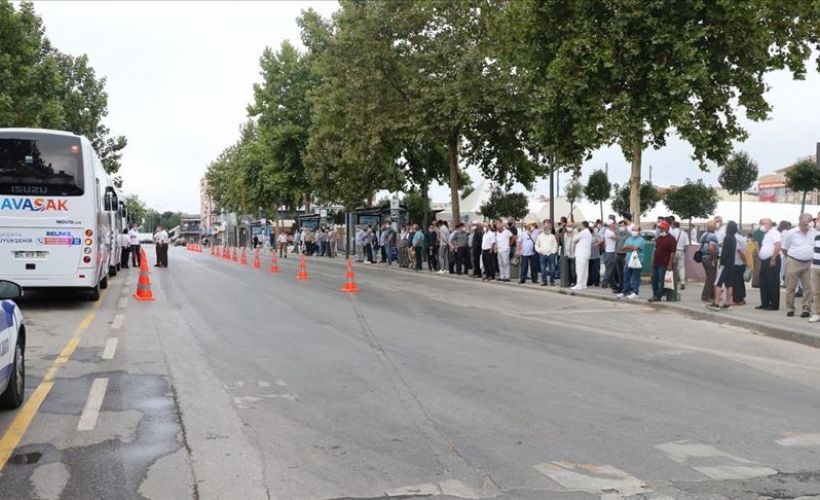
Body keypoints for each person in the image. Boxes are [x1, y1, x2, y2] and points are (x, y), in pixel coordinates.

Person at [782, 213, 816, 318]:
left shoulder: (813, 232)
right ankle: (790, 308)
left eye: (810, 222)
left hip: (809, 262)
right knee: (791, 287)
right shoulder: (791, 233)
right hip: (794, 261)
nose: (809, 224)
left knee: (809, 287)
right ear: (800, 221)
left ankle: (806, 308)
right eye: (807, 222)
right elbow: (784, 248)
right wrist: (791, 257)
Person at [709, 221, 739, 310]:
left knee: (718, 283)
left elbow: (725, 252)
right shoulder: (733, 238)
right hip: (731, 263)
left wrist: (721, 263)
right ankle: (729, 302)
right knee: (729, 284)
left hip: (725, 264)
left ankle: (716, 302)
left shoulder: (727, 238)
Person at [757, 218, 782, 311]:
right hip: (764, 261)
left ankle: (774, 304)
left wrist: (773, 258)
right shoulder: (766, 234)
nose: (763, 225)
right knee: (763, 282)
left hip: (772, 260)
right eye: (762, 223)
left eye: (765, 223)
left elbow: (778, 245)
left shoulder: (774, 233)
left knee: (772, 282)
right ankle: (765, 302)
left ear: (770, 224)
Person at [649, 220, 676, 302]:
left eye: (662, 228)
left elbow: (672, 253)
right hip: (656, 262)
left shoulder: (671, 239)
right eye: (660, 228)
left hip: (664, 263)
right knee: (654, 279)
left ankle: (658, 296)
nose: (660, 229)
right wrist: (652, 260)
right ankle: (654, 294)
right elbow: (656, 249)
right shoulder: (659, 238)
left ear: (667, 228)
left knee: (660, 280)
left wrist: (670, 264)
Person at [619, 226, 645, 299]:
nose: (634, 231)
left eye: (635, 230)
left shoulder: (641, 240)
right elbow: (624, 248)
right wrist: (631, 247)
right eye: (633, 230)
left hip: (637, 261)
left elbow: (636, 248)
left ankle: (635, 292)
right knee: (626, 276)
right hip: (628, 260)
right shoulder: (629, 238)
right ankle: (625, 291)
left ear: (639, 231)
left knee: (635, 277)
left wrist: (629, 247)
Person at [699, 221, 720, 302]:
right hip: (709, 258)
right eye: (715, 225)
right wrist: (714, 259)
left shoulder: (704, 235)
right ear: (713, 227)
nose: (716, 227)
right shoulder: (712, 236)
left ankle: (712, 295)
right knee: (710, 278)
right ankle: (705, 296)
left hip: (704, 257)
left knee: (711, 277)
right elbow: (711, 248)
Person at [536, 220, 558, 286]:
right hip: (542, 254)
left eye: (547, 226)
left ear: (549, 227)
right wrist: (539, 251)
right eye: (545, 226)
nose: (546, 228)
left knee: (552, 269)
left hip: (551, 254)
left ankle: (552, 281)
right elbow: (536, 245)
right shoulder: (540, 236)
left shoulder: (552, 236)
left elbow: (555, 245)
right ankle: (544, 281)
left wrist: (553, 252)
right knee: (543, 269)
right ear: (543, 227)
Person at [571, 221, 592, 291]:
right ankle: (583, 284)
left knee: (579, 270)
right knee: (585, 270)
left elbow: (574, 239)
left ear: (583, 225)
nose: (579, 226)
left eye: (580, 225)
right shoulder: (588, 232)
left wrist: (576, 230)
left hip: (581, 254)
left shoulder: (583, 232)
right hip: (586, 254)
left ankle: (579, 285)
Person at [611, 220, 629, 294]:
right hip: (618, 254)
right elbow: (617, 243)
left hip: (624, 254)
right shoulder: (619, 234)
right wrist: (615, 252)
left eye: (623, 225)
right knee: (619, 272)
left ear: (626, 226)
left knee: (625, 272)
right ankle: (621, 287)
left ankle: (626, 288)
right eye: (620, 225)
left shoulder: (628, 234)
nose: (621, 227)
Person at [733, 230, 748, 305]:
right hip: (741, 263)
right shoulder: (742, 238)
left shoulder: (734, 238)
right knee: (740, 281)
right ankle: (741, 297)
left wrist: (745, 260)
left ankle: (738, 299)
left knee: (736, 282)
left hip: (736, 262)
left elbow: (739, 251)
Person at [672, 221, 689, 290]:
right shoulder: (684, 233)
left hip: (673, 251)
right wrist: (684, 251)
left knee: (672, 267)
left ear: (673, 225)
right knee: (681, 267)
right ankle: (682, 282)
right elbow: (686, 245)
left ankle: (673, 282)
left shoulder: (671, 232)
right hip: (681, 251)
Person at [603, 221, 617, 290]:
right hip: (610, 251)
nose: (615, 225)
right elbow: (616, 238)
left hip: (609, 251)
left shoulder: (609, 231)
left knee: (611, 268)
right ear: (611, 225)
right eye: (614, 224)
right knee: (610, 268)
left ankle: (612, 283)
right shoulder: (609, 232)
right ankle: (605, 283)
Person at [811, 217, 820, 323]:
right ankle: (817, 313)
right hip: (815, 267)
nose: (817, 222)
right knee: (816, 292)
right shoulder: (815, 235)